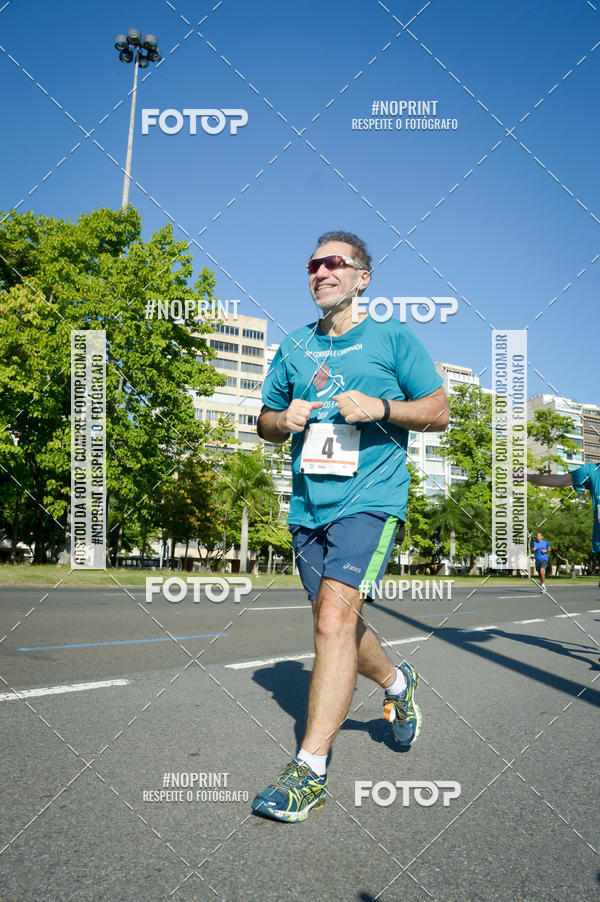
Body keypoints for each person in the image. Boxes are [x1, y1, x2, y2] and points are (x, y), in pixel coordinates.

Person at [251, 231, 449, 822]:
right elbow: (263, 420)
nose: (321, 272)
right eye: (313, 264)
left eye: (335, 263)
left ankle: (308, 770)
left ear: (362, 278)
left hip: (371, 500)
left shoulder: (391, 338)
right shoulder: (294, 347)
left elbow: (437, 412)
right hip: (308, 507)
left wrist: (382, 408)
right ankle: (396, 683)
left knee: (335, 617)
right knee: (335, 621)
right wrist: (281, 419)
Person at [528, 463, 600, 586]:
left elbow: (548, 548)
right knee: (540, 571)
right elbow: (560, 480)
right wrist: (526, 477)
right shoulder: (593, 471)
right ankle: (543, 585)